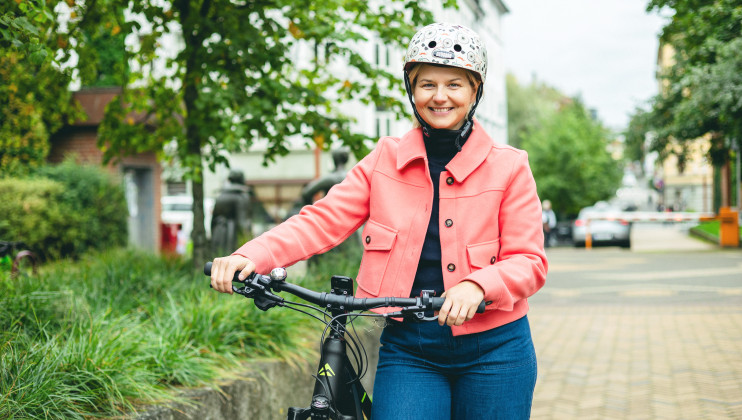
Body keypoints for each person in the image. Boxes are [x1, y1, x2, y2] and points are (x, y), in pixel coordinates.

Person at [210, 22, 548, 419]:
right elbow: (322, 219)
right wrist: (253, 254)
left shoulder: (509, 166)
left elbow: (530, 261)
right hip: (411, 348)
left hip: (496, 349)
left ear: (476, 91)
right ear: (411, 88)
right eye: (427, 85)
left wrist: (478, 285)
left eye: (455, 85)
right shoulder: (384, 160)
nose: (440, 97)